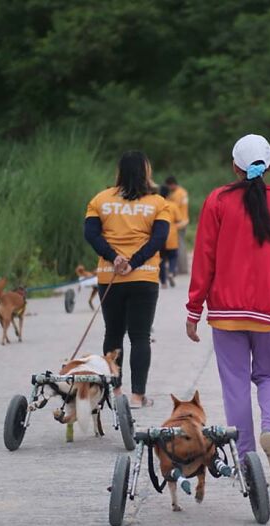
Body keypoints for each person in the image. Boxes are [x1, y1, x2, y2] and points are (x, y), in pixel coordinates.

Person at [186, 134, 270, 479]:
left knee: (235, 385)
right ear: (269, 166)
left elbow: (205, 258)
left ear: (234, 167)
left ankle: (246, 460)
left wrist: (194, 309)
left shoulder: (217, 201)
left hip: (227, 312)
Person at [84, 151, 173, 409]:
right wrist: (134, 262)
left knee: (113, 333)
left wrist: (114, 258)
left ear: (119, 172)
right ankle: (137, 397)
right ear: (146, 172)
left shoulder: (100, 200)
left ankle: (116, 392)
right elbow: (159, 239)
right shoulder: (158, 203)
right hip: (144, 277)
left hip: (110, 276)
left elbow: (91, 234)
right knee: (140, 336)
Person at [158, 185, 185, 289]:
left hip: (160, 236)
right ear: (169, 194)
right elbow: (180, 219)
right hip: (172, 235)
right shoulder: (173, 205)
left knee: (161, 259)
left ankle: (163, 282)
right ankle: (171, 272)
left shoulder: (157, 204)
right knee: (173, 256)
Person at [165, 176, 190, 274]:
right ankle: (182, 268)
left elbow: (173, 208)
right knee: (181, 244)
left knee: (179, 245)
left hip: (178, 223)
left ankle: (182, 269)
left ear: (172, 185)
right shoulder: (183, 192)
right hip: (184, 221)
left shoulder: (177, 194)